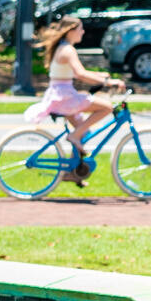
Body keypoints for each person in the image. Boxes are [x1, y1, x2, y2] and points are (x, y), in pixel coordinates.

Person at [24, 15, 119, 186]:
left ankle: (73, 172)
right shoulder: (68, 50)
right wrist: (107, 82)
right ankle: (74, 137)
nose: (83, 32)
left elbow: (75, 73)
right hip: (64, 97)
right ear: (71, 31)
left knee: (84, 132)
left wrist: (99, 76)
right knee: (107, 108)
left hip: (60, 95)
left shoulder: (62, 48)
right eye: (80, 29)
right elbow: (80, 74)